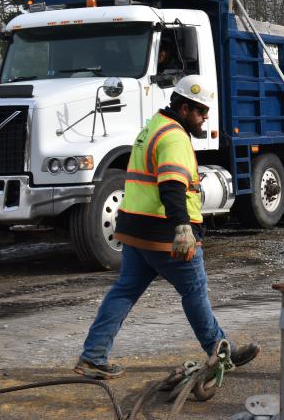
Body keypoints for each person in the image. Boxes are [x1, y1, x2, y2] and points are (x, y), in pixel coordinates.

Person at [74, 75, 258, 379]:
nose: (205, 117)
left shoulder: (151, 128)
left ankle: (93, 356)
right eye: (200, 111)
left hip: (136, 231)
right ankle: (219, 349)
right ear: (184, 108)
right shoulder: (173, 136)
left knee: (124, 292)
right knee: (194, 290)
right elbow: (171, 187)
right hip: (164, 235)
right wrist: (182, 227)